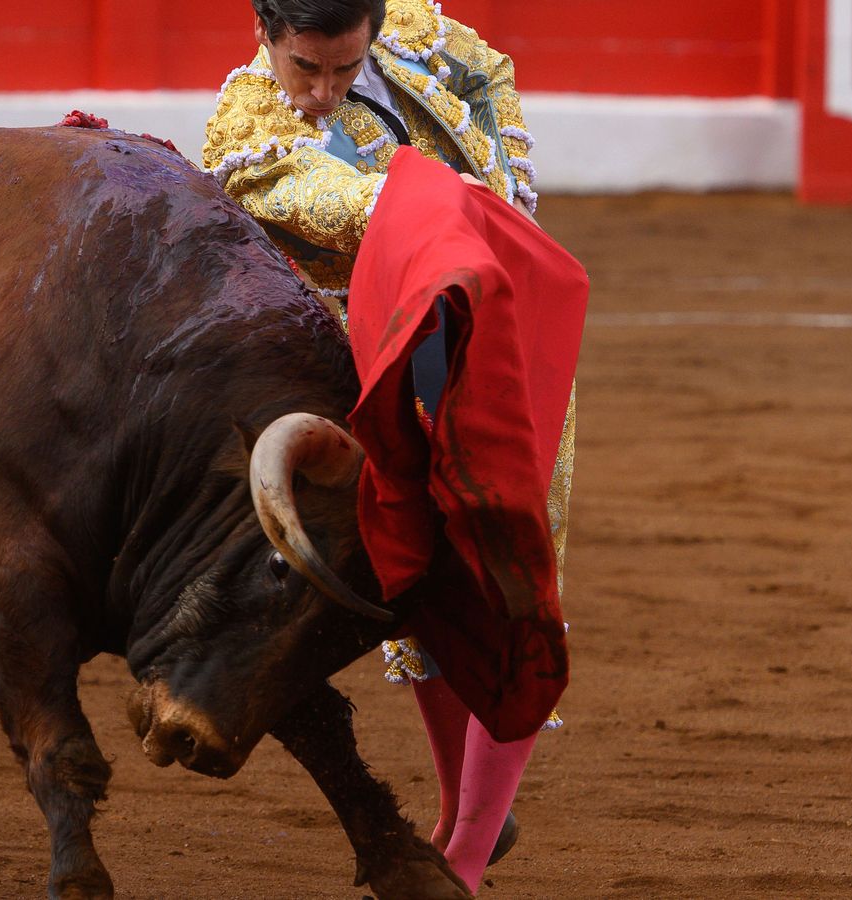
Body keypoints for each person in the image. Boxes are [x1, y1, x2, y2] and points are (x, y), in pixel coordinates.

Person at [202, 0, 578, 892]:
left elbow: (489, 75)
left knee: (511, 573)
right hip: (382, 374)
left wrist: (510, 182)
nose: (321, 94)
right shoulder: (241, 133)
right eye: (305, 70)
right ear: (265, 36)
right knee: (424, 589)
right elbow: (367, 208)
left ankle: (468, 856)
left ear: (372, 29)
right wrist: (475, 216)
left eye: (341, 69)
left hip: (501, 346)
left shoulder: (412, 32)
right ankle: (467, 812)